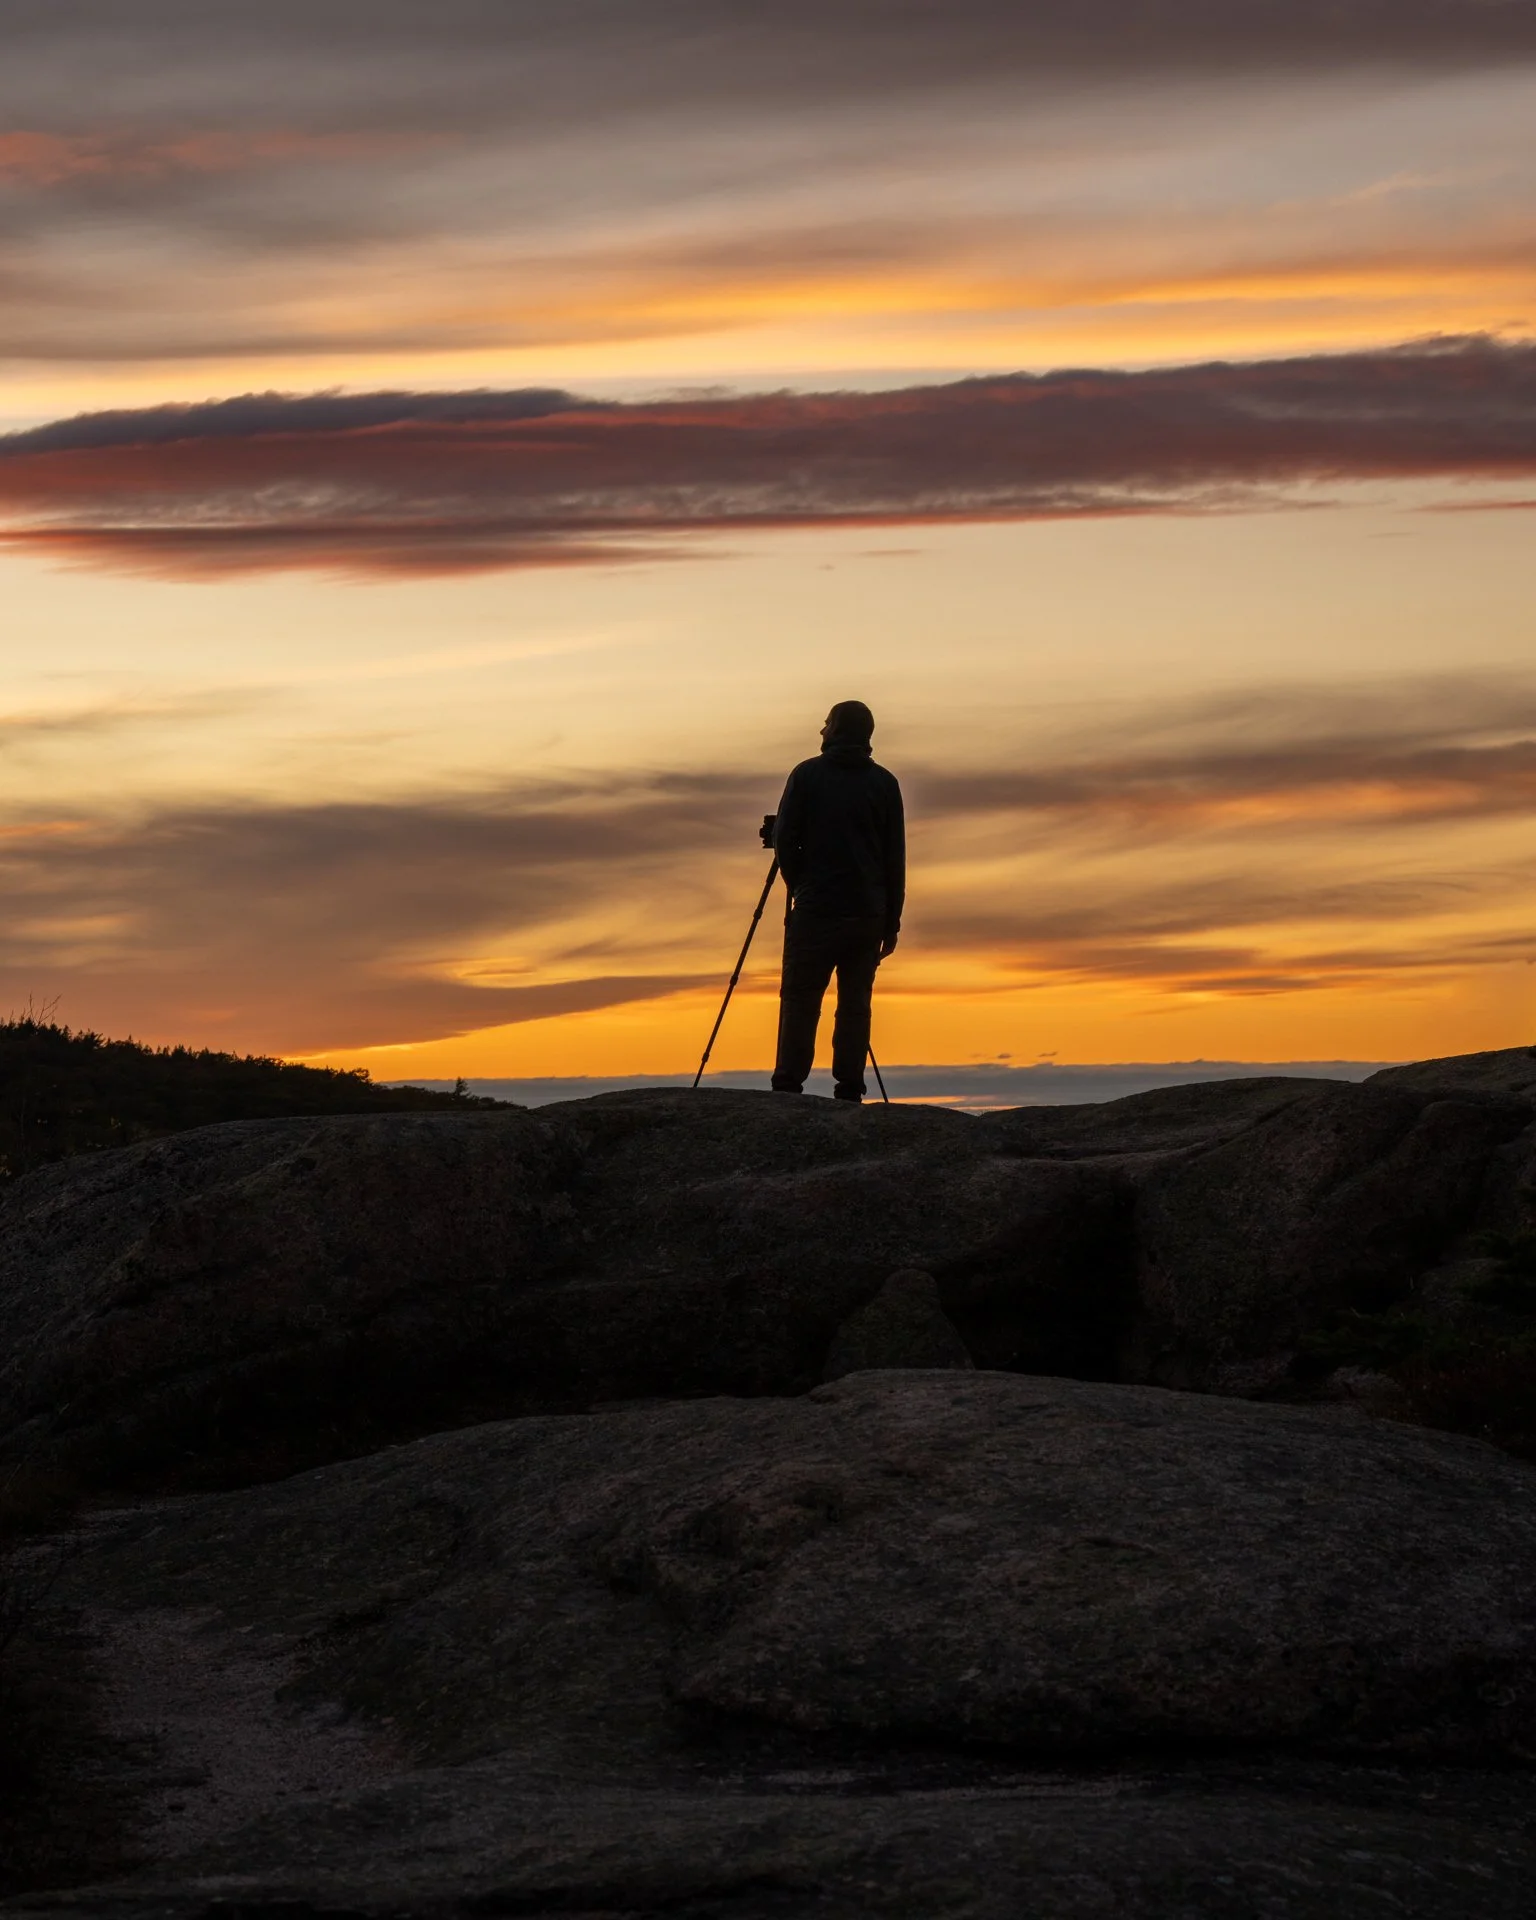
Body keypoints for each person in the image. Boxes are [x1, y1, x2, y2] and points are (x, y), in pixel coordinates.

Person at [771, 700, 905, 1102]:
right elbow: (894, 857)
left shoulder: (807, 775)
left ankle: (788, 1083)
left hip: (817, 908)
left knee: (800, 996)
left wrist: (800, 886)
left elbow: (784, 840)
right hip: (868, 912)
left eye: (826, 723)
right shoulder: (885, 783)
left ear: (836, 730)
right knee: (855, 1003)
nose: (821, 730)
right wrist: (891, 920)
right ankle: (849, 1086)